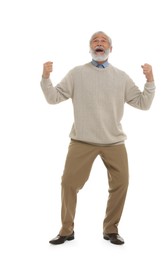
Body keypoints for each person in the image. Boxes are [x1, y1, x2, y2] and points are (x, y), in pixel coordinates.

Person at [40, 31, 155, 245]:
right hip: (82, 140)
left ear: (111, 48)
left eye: (103, 41)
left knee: (122, 183)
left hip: (114, 142)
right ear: (90, 48)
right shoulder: (77, 73)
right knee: (68, 183)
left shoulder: (121, 77)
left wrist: (150, 81)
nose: (99, 43)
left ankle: (111, 229)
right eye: (95, 41)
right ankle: (66, 230)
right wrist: (46, 78)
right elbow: (53, 98)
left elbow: (143, 104)